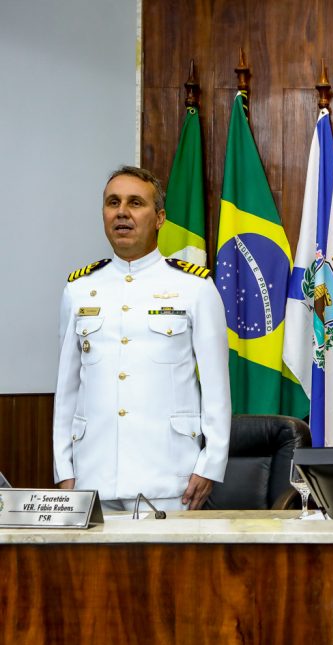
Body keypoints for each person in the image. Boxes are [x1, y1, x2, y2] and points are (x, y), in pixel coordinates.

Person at [52, 166, 231, 512]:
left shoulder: (194, 288)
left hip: (169, 478)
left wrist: (210, 464)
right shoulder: (78, 290)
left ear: (160, 217)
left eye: (136, 203)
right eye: (113, 203)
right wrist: (64, 469)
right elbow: (67, 390)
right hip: (93, 477)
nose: (122, 212)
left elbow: (216, 390)